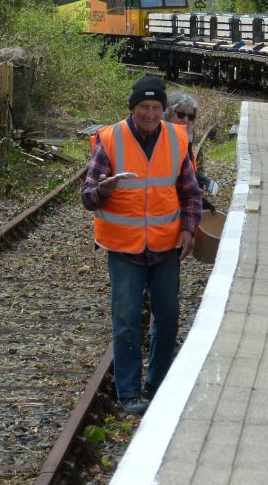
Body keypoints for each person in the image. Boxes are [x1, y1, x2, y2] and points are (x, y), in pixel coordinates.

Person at [81, 76, 202, 416]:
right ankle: (129, 393)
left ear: (163, 110)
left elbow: (191, 193)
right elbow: (87, 197)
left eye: (156, 108)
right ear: (132, 108)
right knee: (126, 320)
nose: (150, 113)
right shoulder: (110, 139)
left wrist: (189, 231)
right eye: (143, 107)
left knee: (167, 317)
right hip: (125, 248)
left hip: (166, 247)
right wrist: (105, 189)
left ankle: (157, 383)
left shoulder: (178, 139)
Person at [165, 90, 216, 212]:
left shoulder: (186, 135)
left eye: (191, 116)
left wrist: (198, 177)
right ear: (168, 114)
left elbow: (184, 163)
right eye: (181, 115)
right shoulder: (164, 137)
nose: (186, 120)